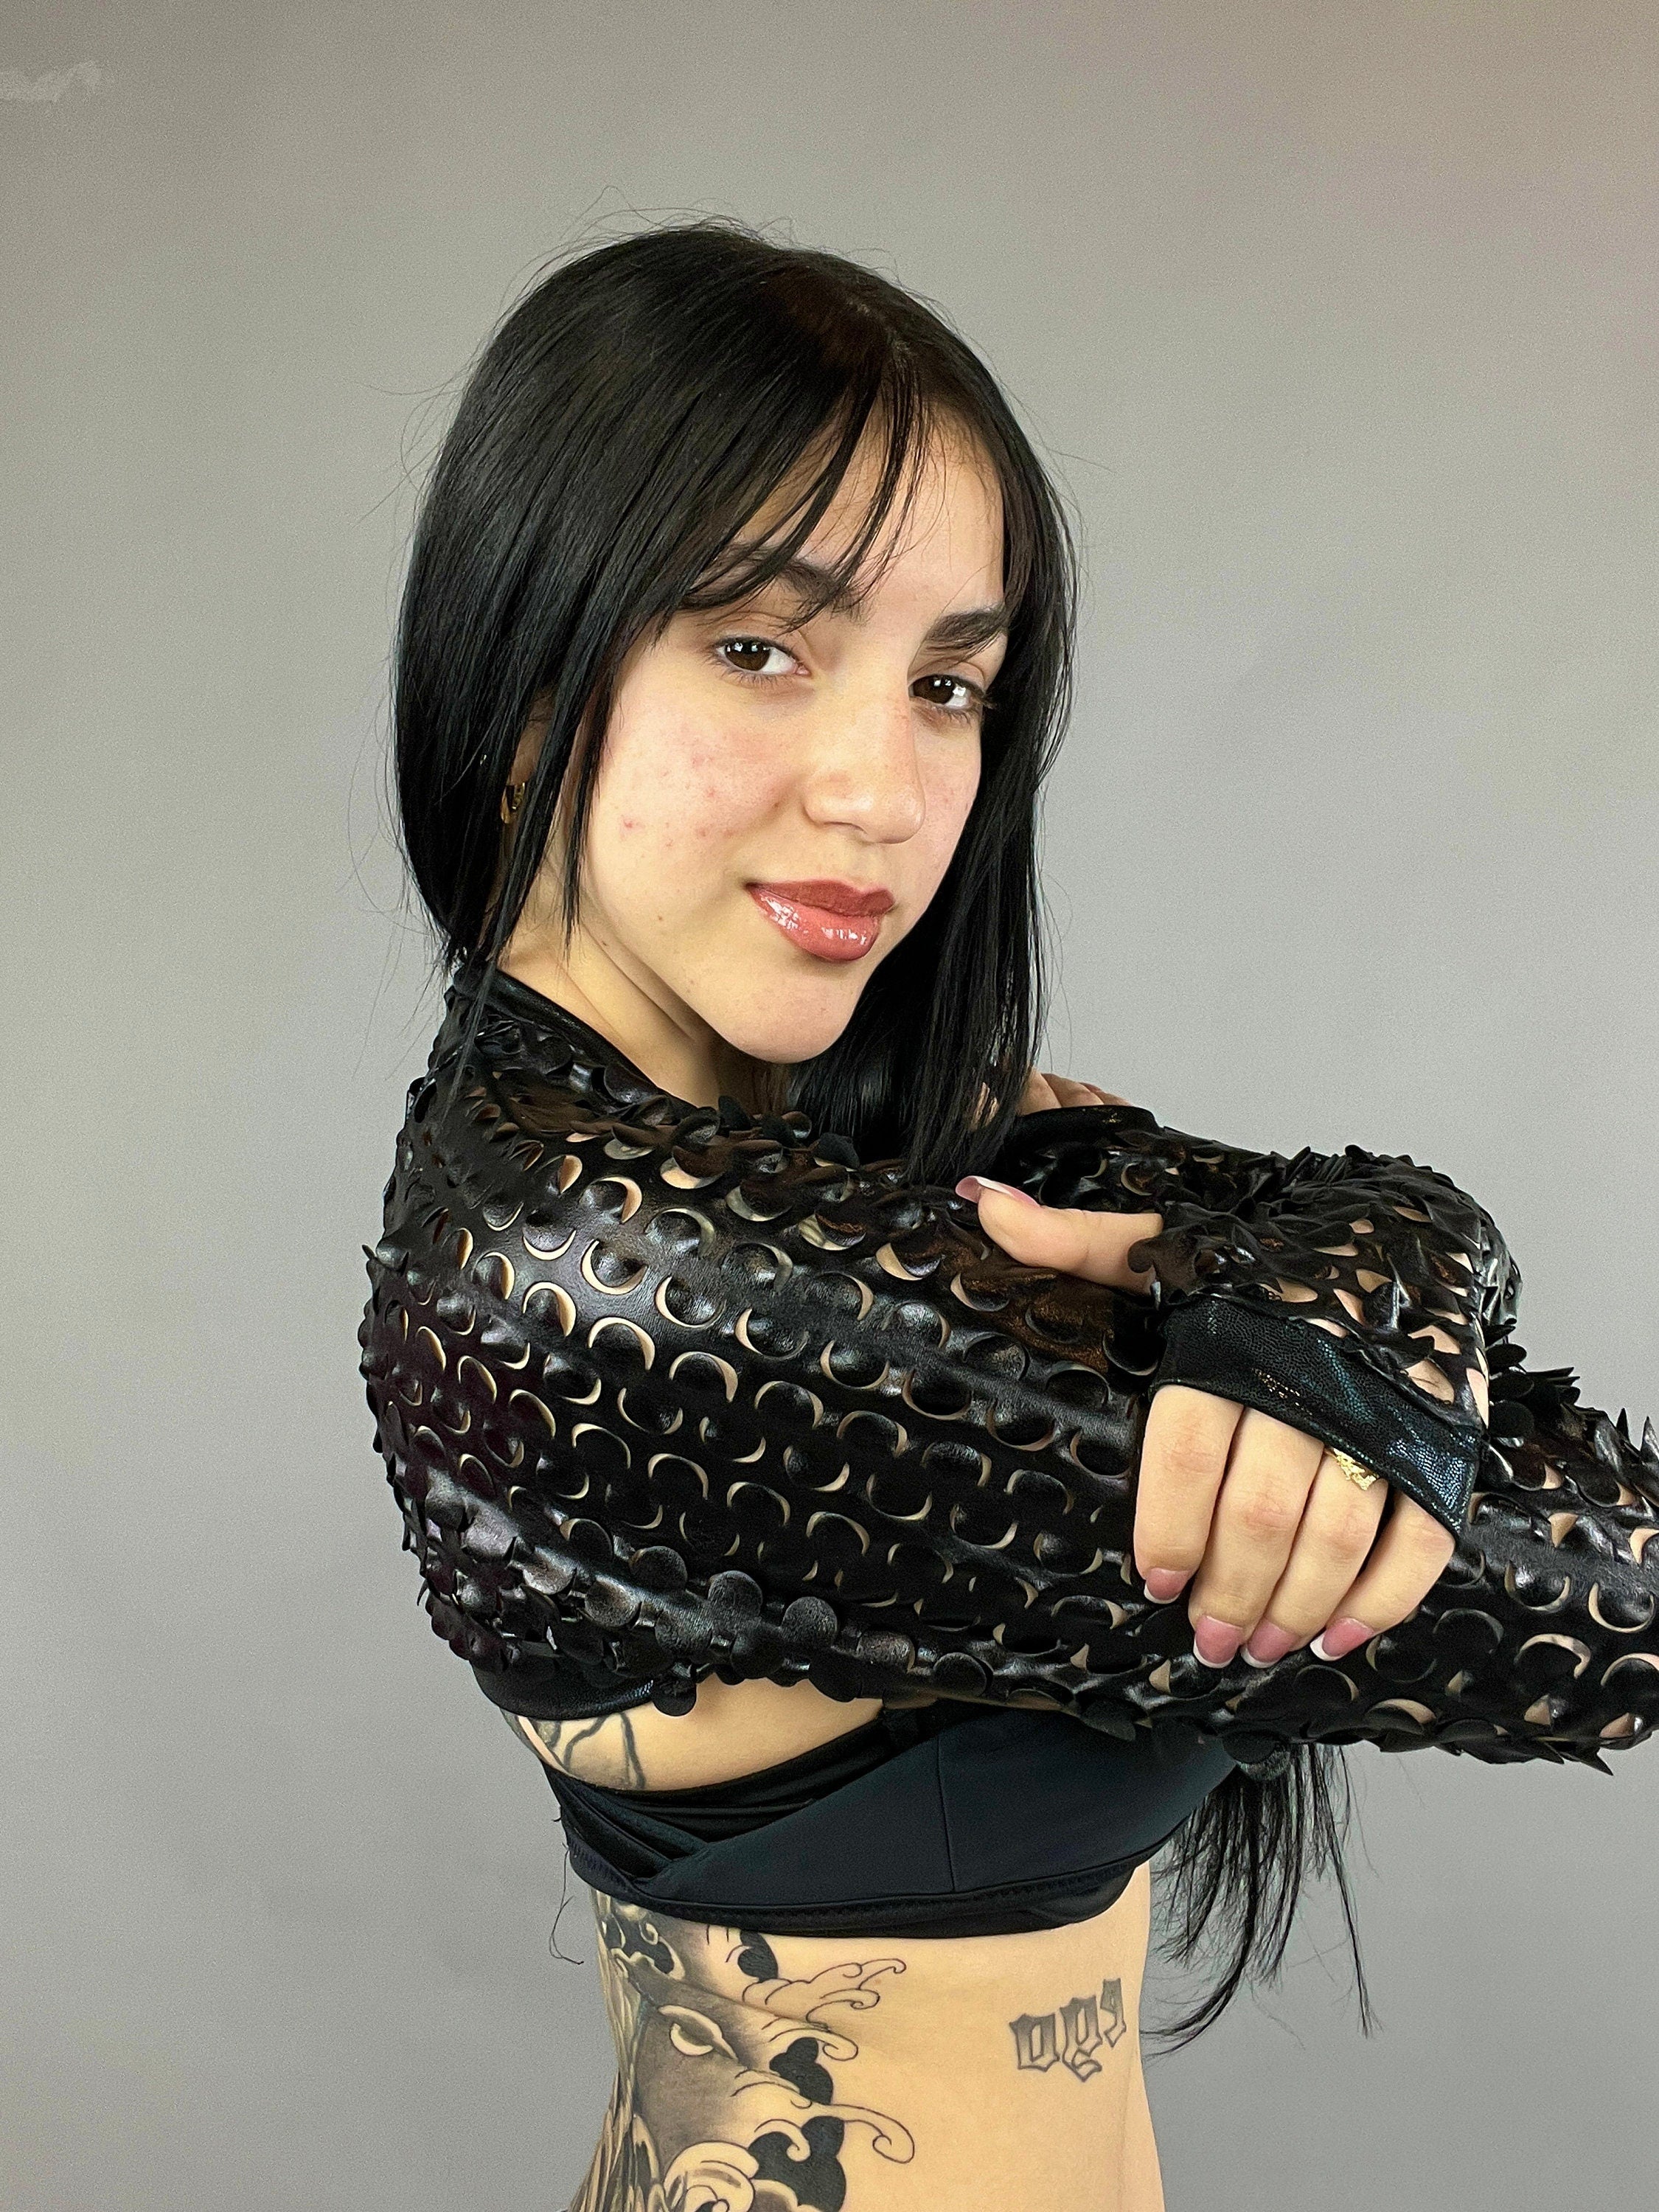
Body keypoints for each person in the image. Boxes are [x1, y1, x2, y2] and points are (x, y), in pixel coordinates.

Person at [370, 220, 1523, 2211]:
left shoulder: (864, 1155)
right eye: (759, 648)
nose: (883, 791)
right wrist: (1352, 1319)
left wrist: (1366, 1276)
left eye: (947, 684)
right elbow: (1588, 1588)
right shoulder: (605, 1270)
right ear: (529, 669)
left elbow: (1351, 1223)